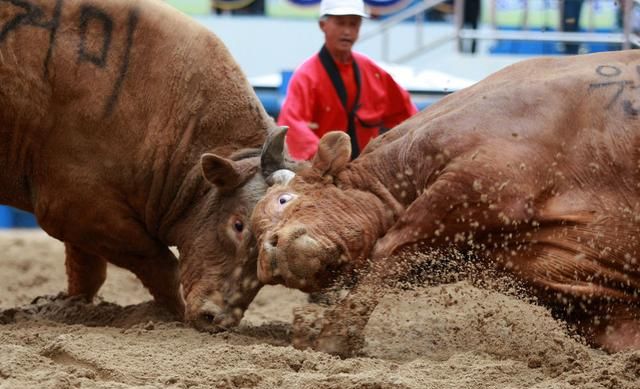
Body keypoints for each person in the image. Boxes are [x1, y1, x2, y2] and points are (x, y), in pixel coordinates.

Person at [277, 0, 418, 161]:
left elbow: (406, 113)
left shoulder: (372, 71)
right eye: (340, 23)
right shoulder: (306, 76)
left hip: (366, 170)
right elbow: (292, 126)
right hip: (322, 173)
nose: (347, 31)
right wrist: (327, 159)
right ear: (323, 25)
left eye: (354, 24)